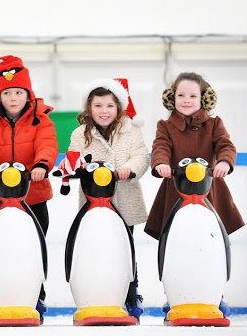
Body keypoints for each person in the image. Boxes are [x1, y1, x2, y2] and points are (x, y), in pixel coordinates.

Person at [145, 72, 245, 316]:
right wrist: (160, 163)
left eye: (192, 95)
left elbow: (225, 145)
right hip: (176, 192)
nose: (186, 100)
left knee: (213, 244)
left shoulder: (214, 124)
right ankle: (174, 295)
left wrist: (224, 162)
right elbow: (160, 147)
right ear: (172, 97)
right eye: (181, 95)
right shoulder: (165, 126)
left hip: (208, 190)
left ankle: (216, 294)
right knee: (175, 244)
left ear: (203, 98)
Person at [0, 55, 59, 323]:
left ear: (28, 93)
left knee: (35, 245)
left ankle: (37, 294)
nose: (13, 97)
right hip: (2, 198)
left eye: (18, 92)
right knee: (5, 246)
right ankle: (4, 292)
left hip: (35, 195)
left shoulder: (40, 118)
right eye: (7, 92)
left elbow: (47, 143)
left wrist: (42, 164)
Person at [64, 78, 149, 322]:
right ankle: (93, 294)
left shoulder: (131, 130)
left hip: (123, 199)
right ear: (89, 108)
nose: (104, 111)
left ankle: (130, 294)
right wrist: (70, 165)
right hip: (93, 202)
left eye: (110, 106)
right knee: (94, 248)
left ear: (119, 107)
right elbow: (74, 158)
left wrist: (129, 168)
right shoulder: (81, 134)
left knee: (125, 248)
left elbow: (141, 156)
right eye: (98, 105)